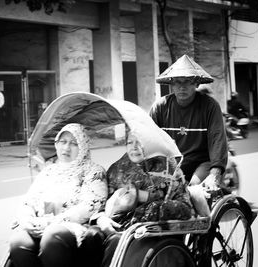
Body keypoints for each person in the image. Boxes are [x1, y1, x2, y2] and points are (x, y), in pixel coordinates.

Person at [90, 122, 194, 267]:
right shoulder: (116, 169)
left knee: (121, 244)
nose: (134, 147)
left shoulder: (169, 168)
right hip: (117, 228)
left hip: (155, 234)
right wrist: (101, 219)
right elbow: (100, 204)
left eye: (139, 142)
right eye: (129, 142)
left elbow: (185, 208)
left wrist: (146, 201)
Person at [7, 123, 108, 267]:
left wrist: (51, 222)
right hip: (40, 225)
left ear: (83, 146)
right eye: (63, 142)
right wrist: (27, 220)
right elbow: (29, 201)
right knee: (18, 242)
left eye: (74, 143)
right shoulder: (49, 171)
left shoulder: (93, 171)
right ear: (56, 144)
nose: (66, 148)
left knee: (52, 235)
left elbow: (90, 206)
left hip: (73, 228)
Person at [149, 54, 228, 189]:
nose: (182, 87)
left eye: (187, 81)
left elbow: (217, 139)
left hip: (202, 162)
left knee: (194, 187)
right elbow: (149, 139)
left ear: (196, 83)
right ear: (171, 84)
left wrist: (216, 172)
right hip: (172, 163)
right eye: (178, 82)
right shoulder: (160, 107)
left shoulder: (209, 106)